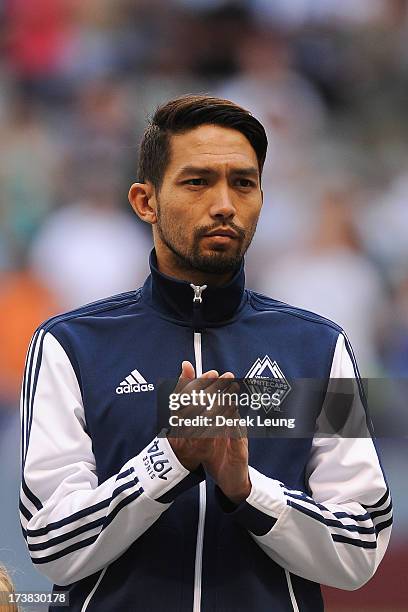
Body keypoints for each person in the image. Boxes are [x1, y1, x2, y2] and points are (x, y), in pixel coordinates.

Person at [19, 95, 392, 611]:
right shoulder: (70, 345)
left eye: (243, 183)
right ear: (145, 201)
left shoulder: (319, 347)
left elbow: (361, 549)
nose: (224, 204)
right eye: (197, 182)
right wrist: (169, 460)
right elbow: (52, 544)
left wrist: (247, 490)